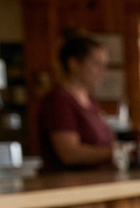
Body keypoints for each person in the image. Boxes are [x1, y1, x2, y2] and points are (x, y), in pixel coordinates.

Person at [36, 35, 118, 172]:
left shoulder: (90, 99)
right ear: (73, 64)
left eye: (105, 65)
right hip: (70, 186)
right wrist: (119, 152)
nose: (103, 72)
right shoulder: (58, 101)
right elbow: (69, 154)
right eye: (97, 64)